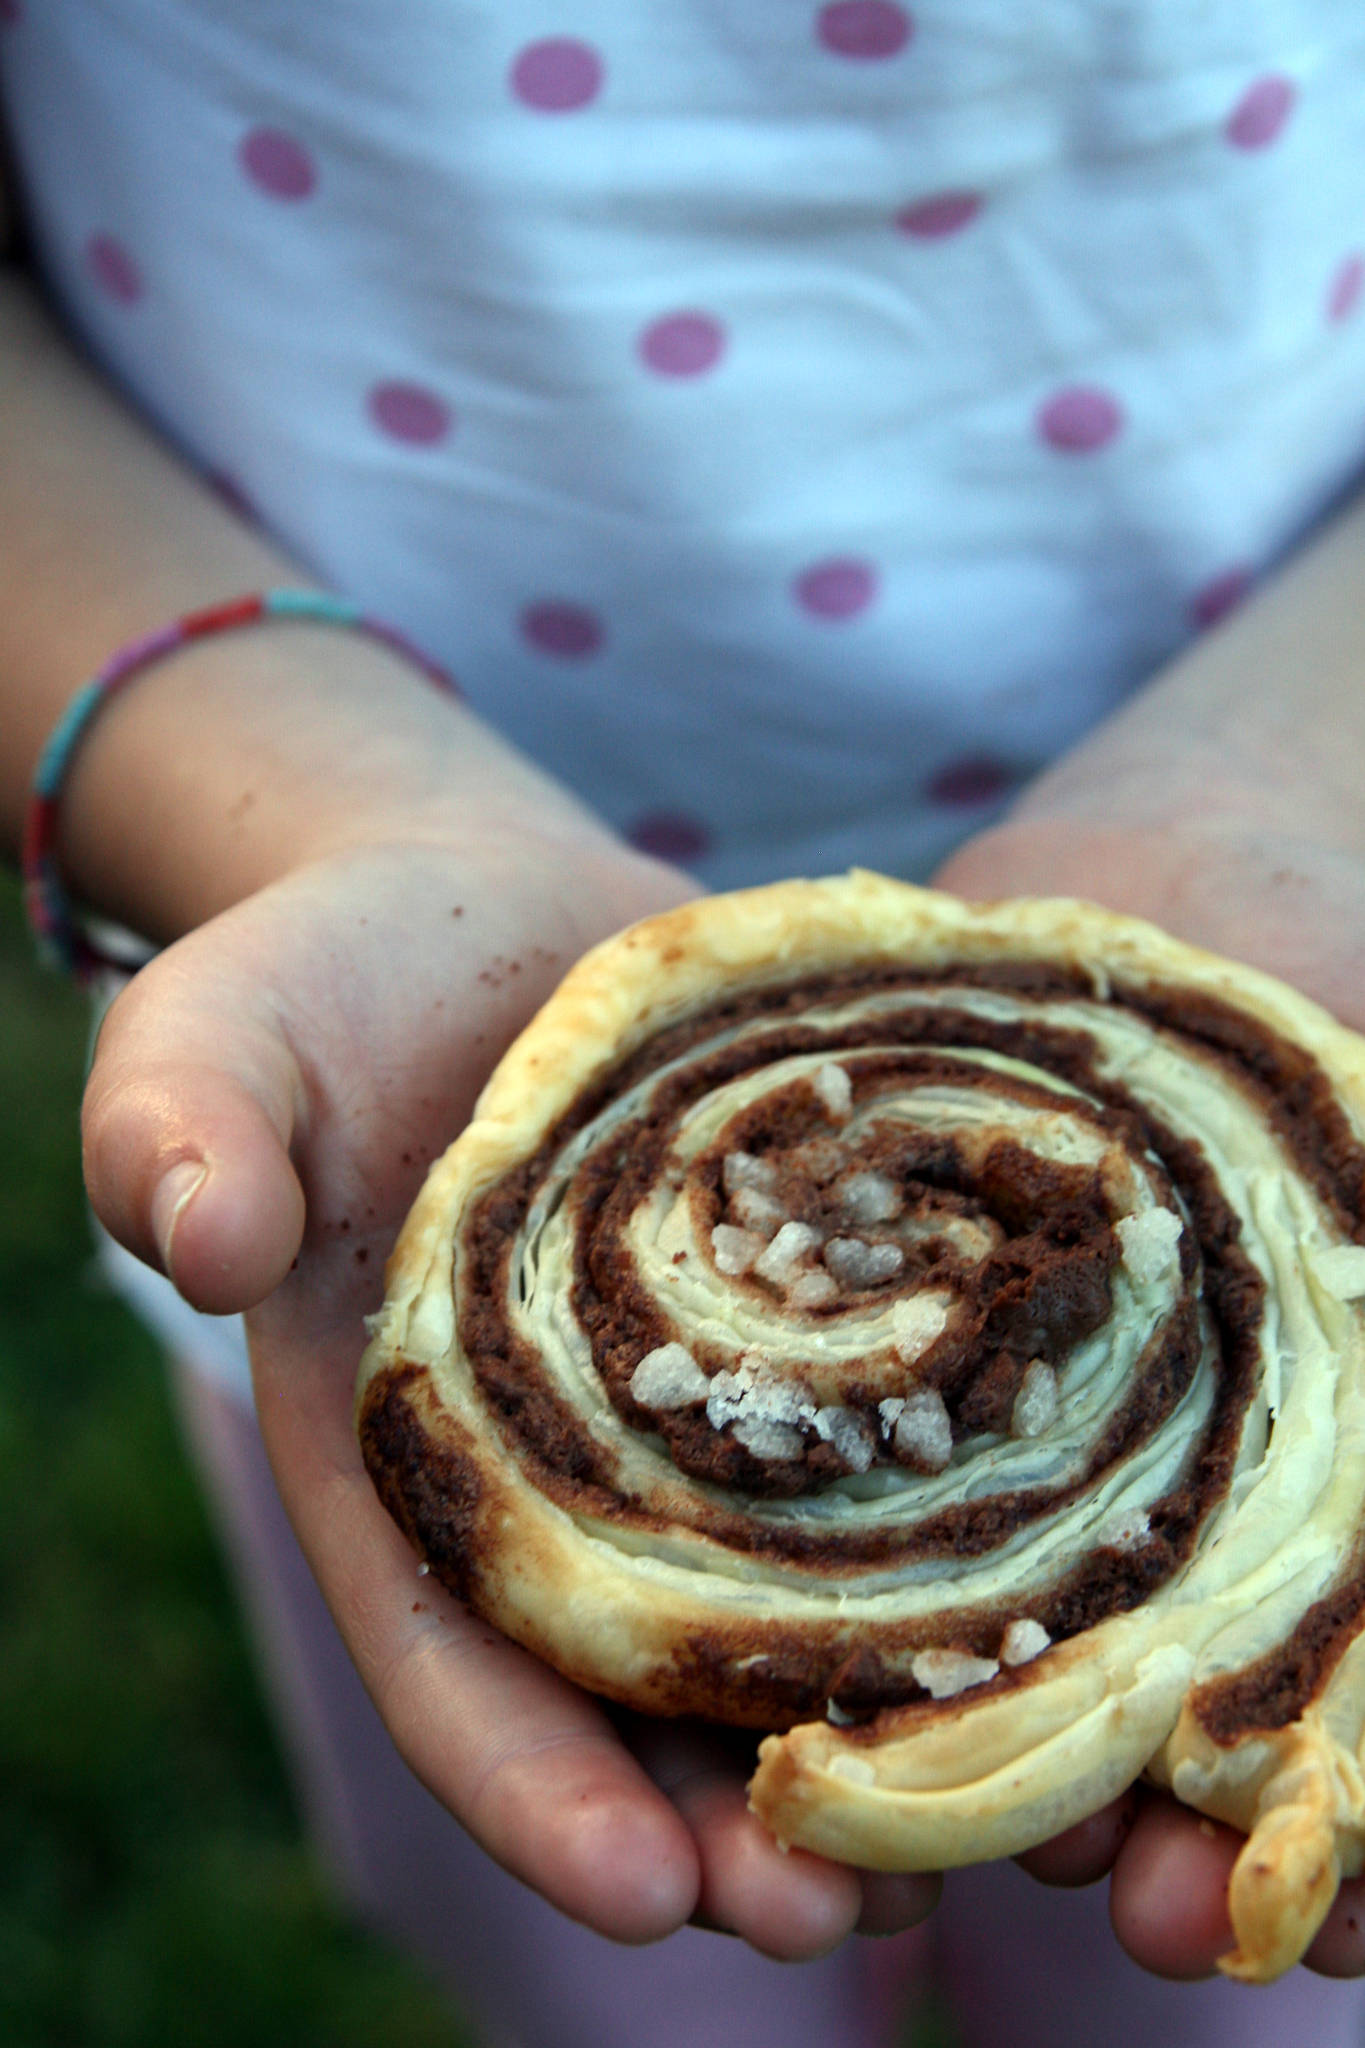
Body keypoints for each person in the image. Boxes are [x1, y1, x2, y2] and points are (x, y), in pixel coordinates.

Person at [4, 4, 1365, 2042]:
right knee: (610, 1976)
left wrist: (1303, 762)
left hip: (1292, 720)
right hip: (342, 915)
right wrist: (318, 799)